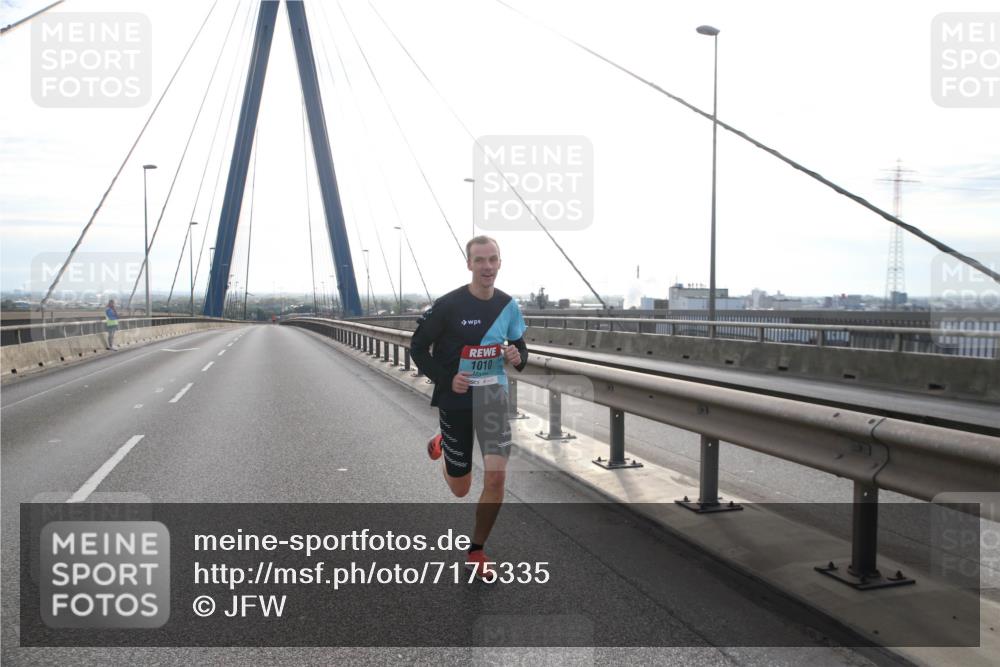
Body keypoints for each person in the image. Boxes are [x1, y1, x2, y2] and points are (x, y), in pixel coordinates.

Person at [410, 236, 529, 582]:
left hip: (492, 398)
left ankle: (477, 550)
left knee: (495, 476)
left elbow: (520, 350)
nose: (487, 266)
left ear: (500, 263)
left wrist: (517, 356)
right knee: (461, 488)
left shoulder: (509, 306)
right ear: (469, 264)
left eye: (493, 259)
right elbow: (418, 347)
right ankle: (444, 444)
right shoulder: (448, 306)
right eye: (480, 260)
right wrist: (447, 380)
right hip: (456, 400)